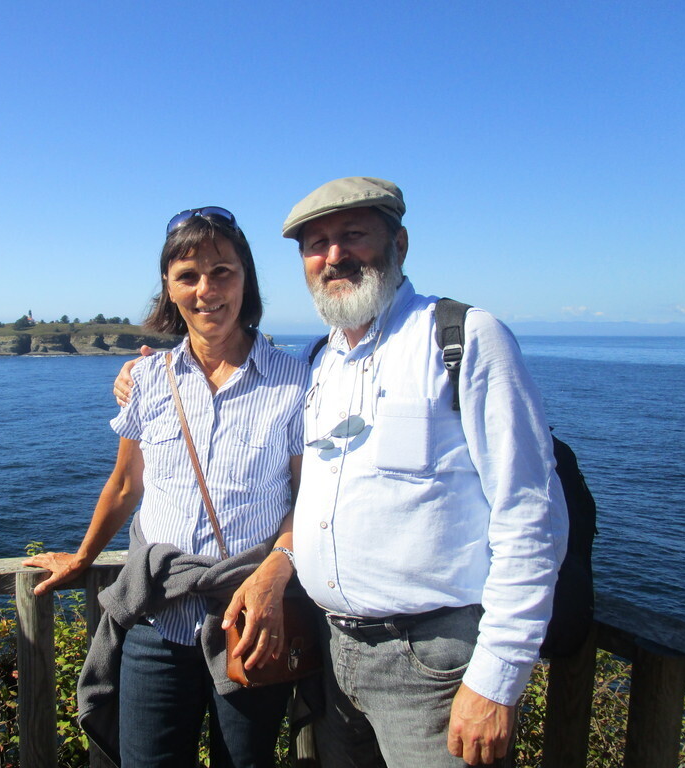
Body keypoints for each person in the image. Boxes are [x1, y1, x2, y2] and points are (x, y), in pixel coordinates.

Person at [115, 178, 568, 767]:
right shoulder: (317, 365)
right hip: (331, 658)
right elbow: (314, 502)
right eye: (317, 243)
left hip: (432, 663)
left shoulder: (460, 340)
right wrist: (280, 567)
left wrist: (498, 678)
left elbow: (531, 516)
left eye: (353, 235)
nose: (334, 255)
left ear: (398, 242)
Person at [24, 206, 308, 768]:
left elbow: (308, 502)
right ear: (169, 289)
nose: (208, 290)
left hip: (249, 617)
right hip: (158, 619)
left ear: (246, 278)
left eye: (223, 271)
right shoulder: (149, 380)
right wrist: (83, 558)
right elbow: (127, 483)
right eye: (189, 276)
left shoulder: (296, 382)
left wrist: (274, 577)